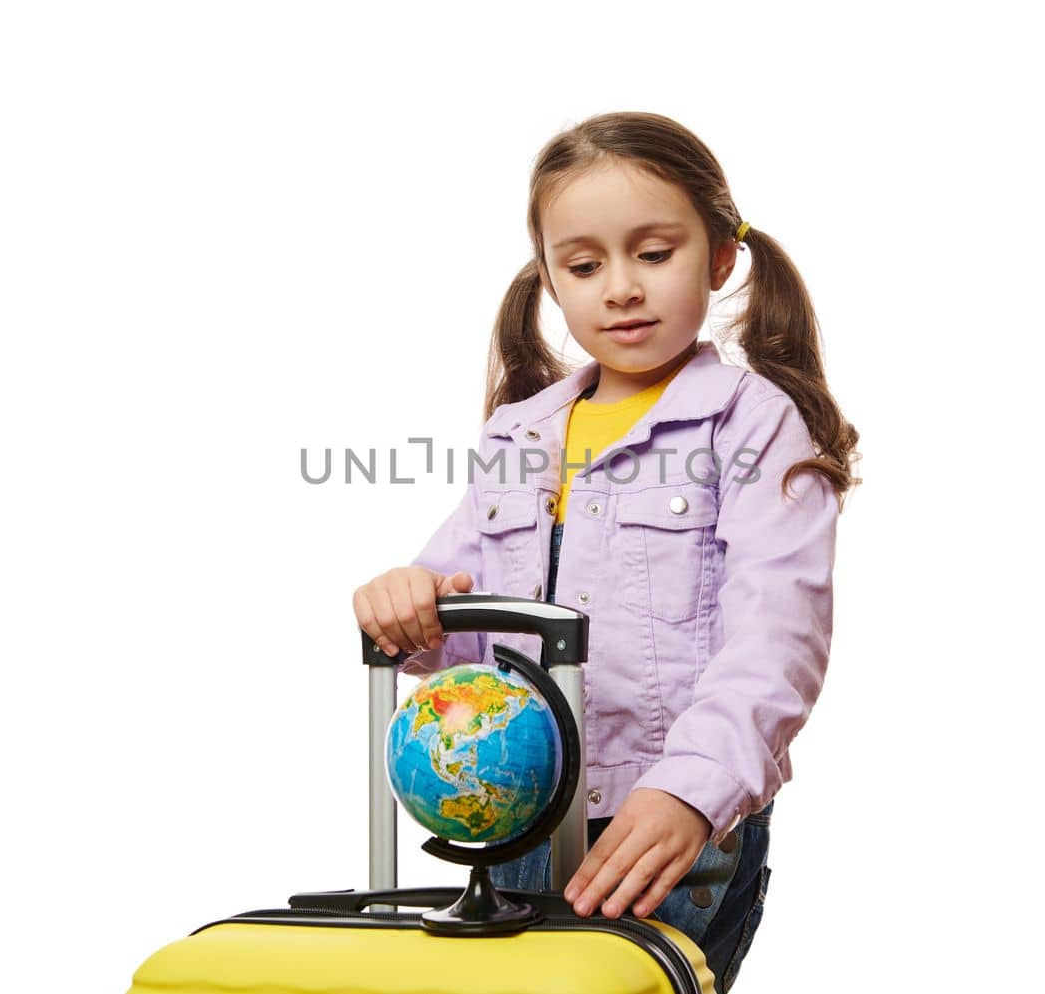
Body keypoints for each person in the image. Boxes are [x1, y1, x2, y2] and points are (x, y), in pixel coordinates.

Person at [351, 110, 859, 992]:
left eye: (654, 254)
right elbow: (463, 619)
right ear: (550, 276)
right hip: (511, 820)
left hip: (659, 825)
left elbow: (778, 637)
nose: (620, 287)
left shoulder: (752, 424)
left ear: (722, 257)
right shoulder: (519, 433)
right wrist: (410, 601)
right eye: (585, 266)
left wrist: (692, 791)